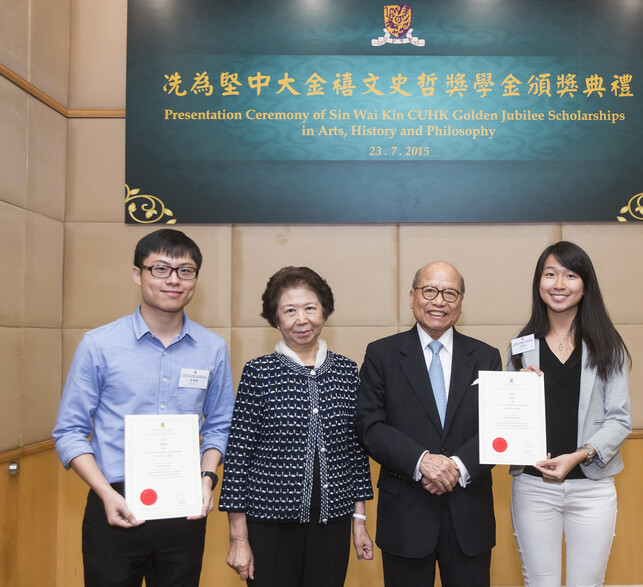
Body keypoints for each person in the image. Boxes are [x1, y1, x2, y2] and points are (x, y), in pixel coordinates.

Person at [52, 228, 235, 586]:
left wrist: (206, 479)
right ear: (138, 274)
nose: (174, 280)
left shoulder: (212, 348)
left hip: (185, 508)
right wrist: (105, 493)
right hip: (114, 505)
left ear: (195, 278)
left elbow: (219, 425)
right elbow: (69, 431)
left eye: (186, 271)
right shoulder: (99, 345)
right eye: (161, 269)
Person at [219, 266, 374, 586]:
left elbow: (355, 451)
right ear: (275, 319)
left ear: (325, 311)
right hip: (268, 524)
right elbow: (237, 456)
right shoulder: (258, 372)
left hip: (333, 520)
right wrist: (238, 536)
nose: (301, 319)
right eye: (289, 310)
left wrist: (359, 520)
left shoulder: (346, 371)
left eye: (310, 308)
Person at [355, 261, 502, 587]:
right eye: (429, 291)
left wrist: (455, 467)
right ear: (412, 297)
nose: (439, 301)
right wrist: (422, 462)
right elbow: (369, 424)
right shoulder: (382, 355)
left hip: (469, 514)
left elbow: (497, 427)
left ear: (461, 303)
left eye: (450, 293)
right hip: (407, 513)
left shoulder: (486, 356)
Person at [507, 241, 631, 587]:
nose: (559, 284)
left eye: (570, 275)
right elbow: (506, 420)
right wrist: (515, 390)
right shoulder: (520, 346)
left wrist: (577, 457)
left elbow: (620, 420)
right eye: (550, 274)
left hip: (592, 488)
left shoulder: (607, 345)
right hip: (533, 487)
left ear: (585, 285)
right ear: (538, 282)